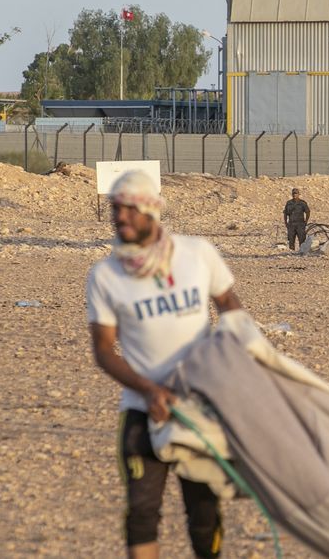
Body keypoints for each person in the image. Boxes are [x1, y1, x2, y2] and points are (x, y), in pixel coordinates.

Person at [86, 170, 244, 557]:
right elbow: (104, 350)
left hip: (198, 406)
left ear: (152, 212)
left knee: (204, 512)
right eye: (115, 211)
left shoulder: (197, 254)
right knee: (141, 511)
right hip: (143, 410)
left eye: (128, 211)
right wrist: (151, 391)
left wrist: (225, 367)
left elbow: (232, 310)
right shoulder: (106, 276)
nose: (119, 219)